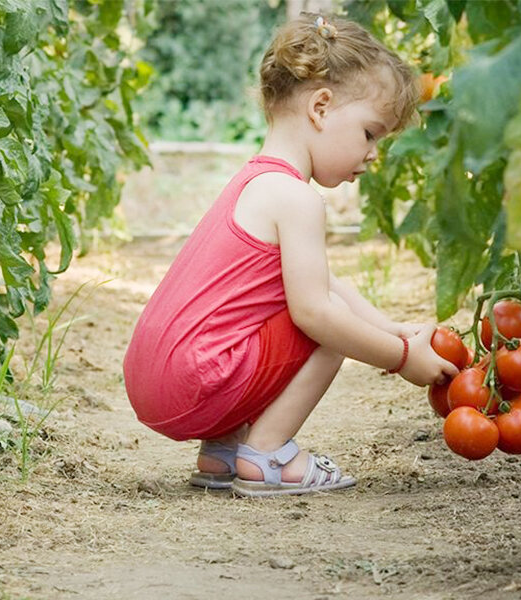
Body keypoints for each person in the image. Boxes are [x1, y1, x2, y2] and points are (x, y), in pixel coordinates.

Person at [123, 13, 459, 498]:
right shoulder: (296, 199)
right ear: (321, 107)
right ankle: (267, 454)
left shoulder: (256, 182)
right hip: (195, 381)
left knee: (315, 308)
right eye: (370, 134)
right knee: (326, 325)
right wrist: (402, 357)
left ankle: (225, 448)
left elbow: (326, 283)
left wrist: (392, 329)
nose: (372, 155)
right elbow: (318, 310)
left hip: (158, 380)